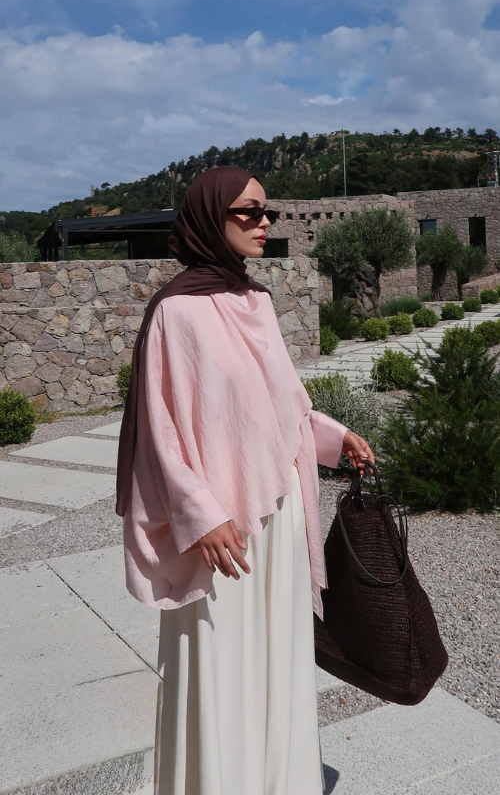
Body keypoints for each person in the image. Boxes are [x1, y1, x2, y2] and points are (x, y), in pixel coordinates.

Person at [116, 166, 375, 795]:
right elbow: (159, 428)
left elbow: (279, 405)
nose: (265, 224)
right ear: (212, 218)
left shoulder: (256, 301)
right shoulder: (175, 313)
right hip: (221, 527)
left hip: (280, 514)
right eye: (249, 212)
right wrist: (198, 515)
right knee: (223, 659)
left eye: (268, 212)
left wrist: (333, 438)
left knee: (278, 653)